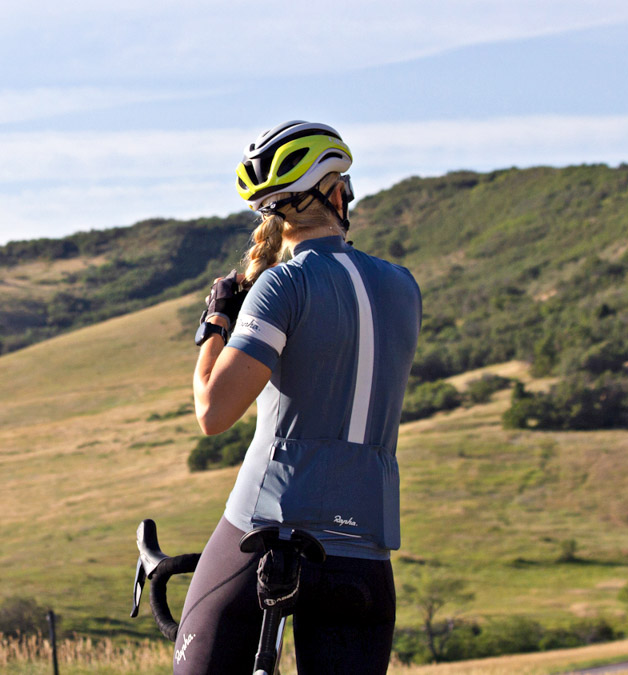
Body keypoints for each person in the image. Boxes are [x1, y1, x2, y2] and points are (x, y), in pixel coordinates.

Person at [174, 121, 421, 674]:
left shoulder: (283, 285)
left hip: (267, 532)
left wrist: (216, 321)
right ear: (337, 194)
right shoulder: (403, 286)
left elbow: (213, 412)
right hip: (366, 551)